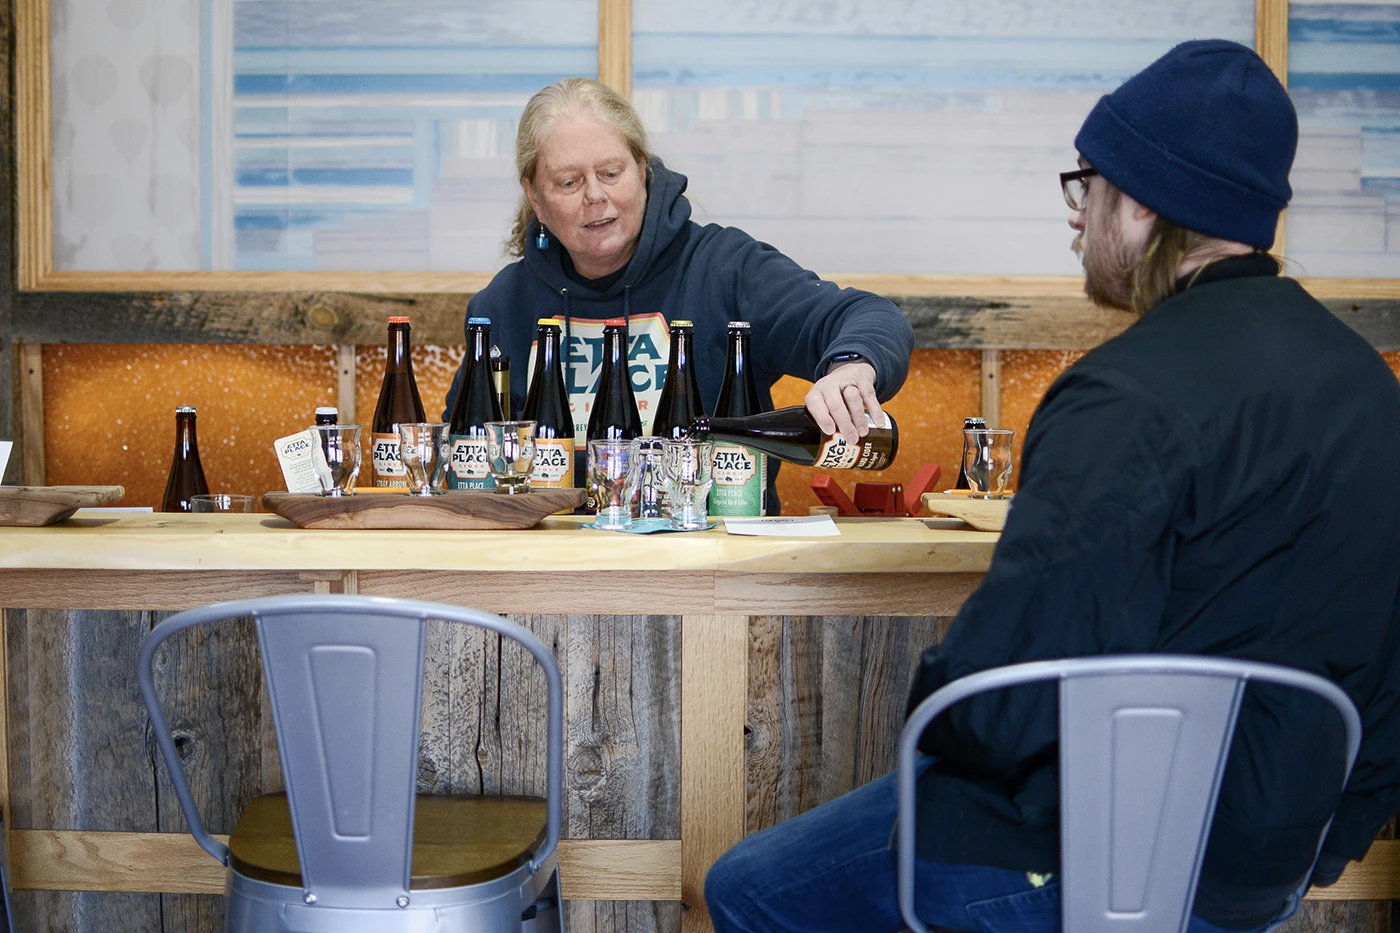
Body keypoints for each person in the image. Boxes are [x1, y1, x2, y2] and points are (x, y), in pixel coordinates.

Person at [705, 39, 1400, 933]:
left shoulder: (1125, 393)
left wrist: (932, 739)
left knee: (747, 888)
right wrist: (1313, 849)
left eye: (1090, 187)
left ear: (1144, 203)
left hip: (1083, 856)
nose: (1077, 218)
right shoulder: (1365, 384)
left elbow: (1005, 698)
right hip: (1266, 866)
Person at [442, 77, 914, 506]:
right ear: (535, 198)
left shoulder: (724, 268)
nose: (594, 196)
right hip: (551, 569)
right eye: (568, 182)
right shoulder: (502, 305)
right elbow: (460, 461)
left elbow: (868, 315)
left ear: (642, 170)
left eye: (611, 173)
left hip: (717, 566)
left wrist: (853, 367)